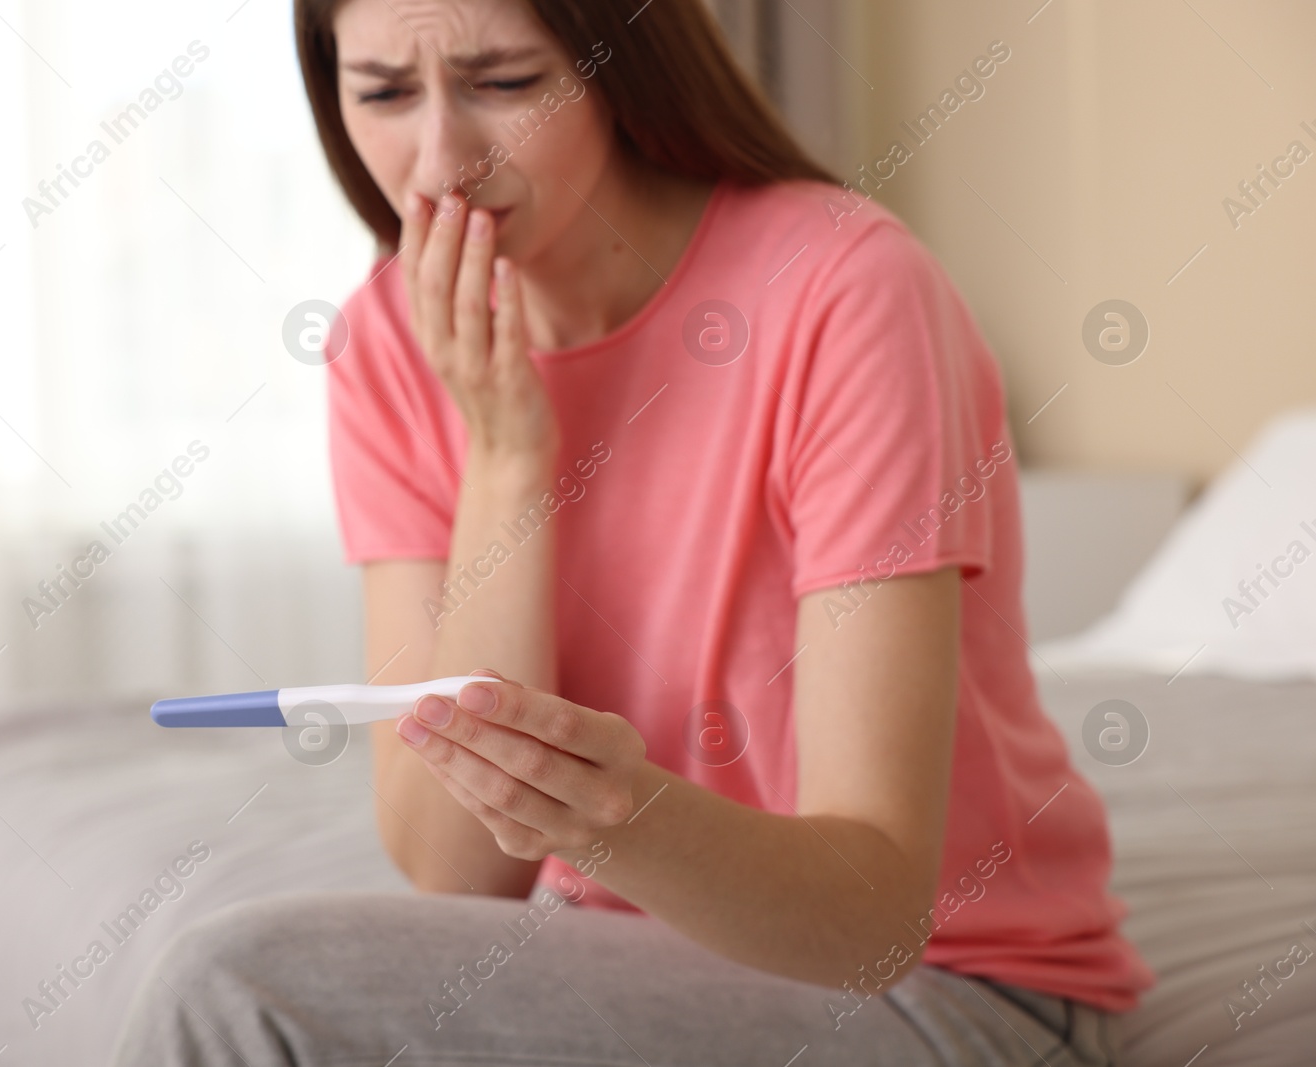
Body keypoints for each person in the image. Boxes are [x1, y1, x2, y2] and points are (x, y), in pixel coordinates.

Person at [113, 1, 1153, 1063]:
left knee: (235, 984)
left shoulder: (843, 289)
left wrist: (614, 811)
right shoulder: (386, 338)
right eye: (382, 92)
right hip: (622, 952)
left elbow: (869, 918)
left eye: (505, 83)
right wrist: (508, 455)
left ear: (623, 67)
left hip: (945, 985)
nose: (438, 163)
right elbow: (461, 869)